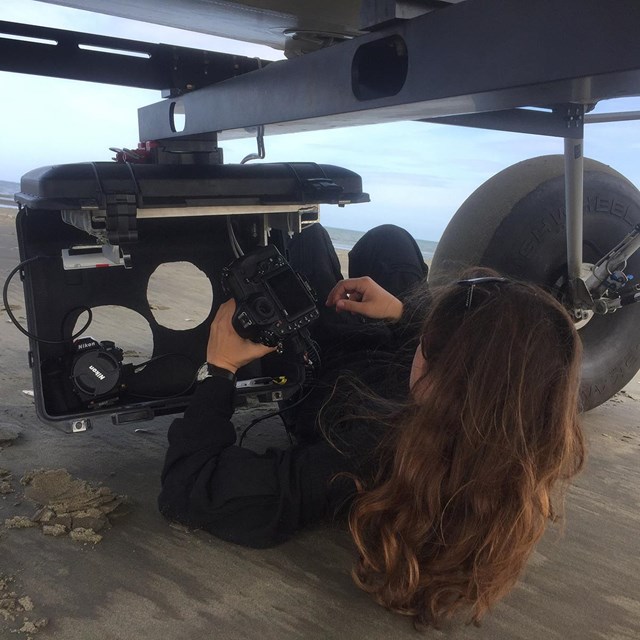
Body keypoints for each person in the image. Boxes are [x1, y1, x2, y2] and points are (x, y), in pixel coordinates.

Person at [158, 224, 585, 627]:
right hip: (388, 358)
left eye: (428, 343)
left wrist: (220, 370)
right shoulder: (514, 439)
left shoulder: (357, 455)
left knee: (307, 241)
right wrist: (402, 315)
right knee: (389, 239)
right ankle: (405, 307)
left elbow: (189, 487)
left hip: (334, 369)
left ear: (441, 379)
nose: (422, 339)